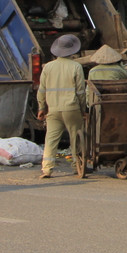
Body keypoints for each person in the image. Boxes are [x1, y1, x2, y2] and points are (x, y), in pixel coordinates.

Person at [37, 33, 87, 179]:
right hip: (71, 108)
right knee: (75, 138)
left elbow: (42, 90)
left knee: (50, 140)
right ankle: (77, 166)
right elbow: (80, 92)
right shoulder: (76, 67)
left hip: (53, 109)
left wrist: (41, 108)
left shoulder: (47, 67)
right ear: (73, 51)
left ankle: (46, 169)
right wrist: (83, 110)